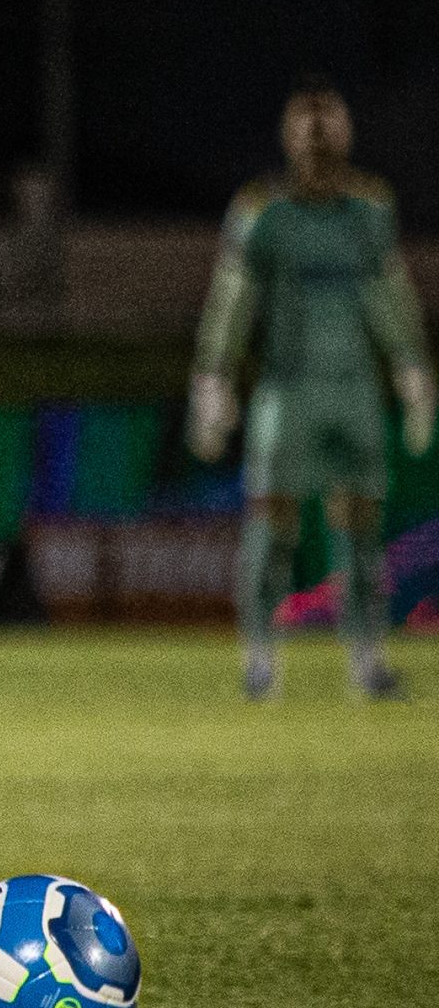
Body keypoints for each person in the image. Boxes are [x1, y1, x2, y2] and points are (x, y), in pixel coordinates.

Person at [189, 78, 433, 700]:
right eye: (309, 128)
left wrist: (412, 367)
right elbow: (232, 299)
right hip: (287, 390)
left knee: (361, 529)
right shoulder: (263, 213)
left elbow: (389, 294)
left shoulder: (369, 210)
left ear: (346, 135)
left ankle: (367, 662)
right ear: (289, 138)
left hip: (353, 389)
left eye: (329, 127)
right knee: (273, 525)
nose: (319, 141)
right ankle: (259, 659)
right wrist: (213, 375)